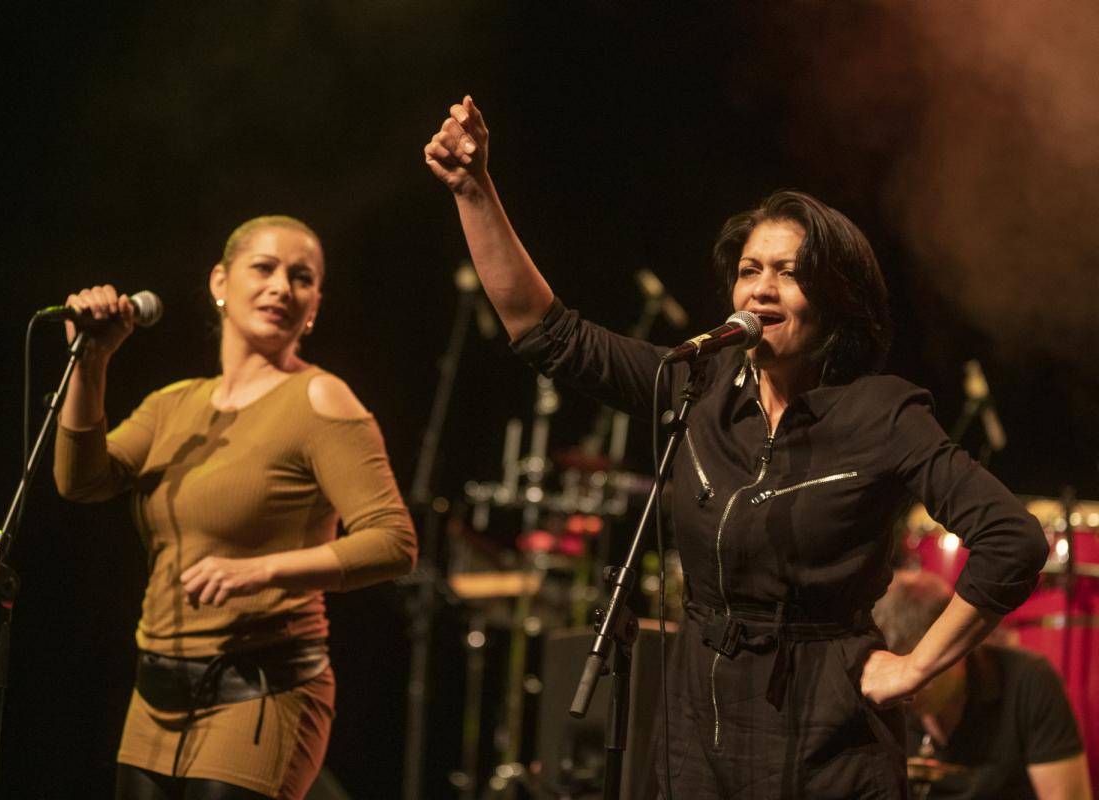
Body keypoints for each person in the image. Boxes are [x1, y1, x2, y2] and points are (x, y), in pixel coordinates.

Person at [424, 96, 1049, 798]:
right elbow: (548, 334)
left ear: (837, 300)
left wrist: (914, 667)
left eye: (789, 272)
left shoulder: (883, 413)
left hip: (828, 736)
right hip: (699, 725)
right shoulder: (697, 384)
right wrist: (474, 191)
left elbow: (1013, 540)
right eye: (750, 270)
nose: (761, 291)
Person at [52, 216, 417, 799]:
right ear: (220, 282)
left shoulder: (320, 397)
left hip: (261, 691)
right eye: (264, 268)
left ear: (314, 306)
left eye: (301, 278)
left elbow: (393, 542)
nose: (282, 288)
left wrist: (259, 570)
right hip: (155, 694)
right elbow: (80, 481)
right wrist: (91, 361)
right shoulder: (174, 404)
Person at [874, 569, 1091, 800]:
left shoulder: (1029, 680)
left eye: (918, 673)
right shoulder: (880, 690)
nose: (905, 693)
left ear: (955, 648)